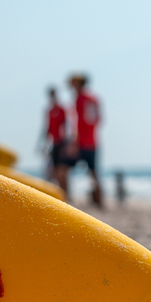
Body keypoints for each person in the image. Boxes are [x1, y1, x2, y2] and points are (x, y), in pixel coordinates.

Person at [68, 74, 103, 208]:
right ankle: (100, 202)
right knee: (94, 173)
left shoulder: (80, 99)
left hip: (81, 142)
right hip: (93, 141)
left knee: (62, 169)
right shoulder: (94, 99)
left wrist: (74, 142)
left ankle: (68, 199)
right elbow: (99, 120)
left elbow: (77, 122)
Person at [41, 87, 70, 198]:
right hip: (54, 143)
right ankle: (61, 194)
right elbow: (48, 128)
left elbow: (67, 126)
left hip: (62, 142)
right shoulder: (49, 111)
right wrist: (44, 145)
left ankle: (66, 194)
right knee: (54, 171)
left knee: (62, 171)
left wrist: (68, 143)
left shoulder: (61, 109)